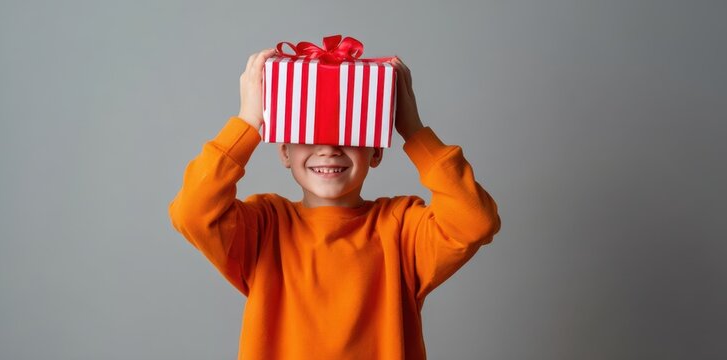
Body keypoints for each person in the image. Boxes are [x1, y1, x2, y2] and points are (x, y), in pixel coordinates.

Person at [168, 47, 501, 359]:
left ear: (376, 152)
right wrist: (247, 122)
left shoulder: (401, 227)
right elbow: (193, 211)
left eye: (349, 135)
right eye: (310, 135)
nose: (328, 148)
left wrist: (413, 130)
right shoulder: (265, 226)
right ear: (284, 151)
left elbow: (475, 222)